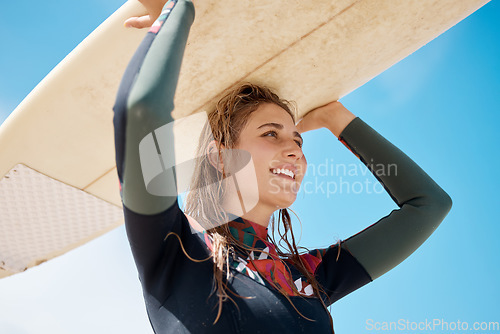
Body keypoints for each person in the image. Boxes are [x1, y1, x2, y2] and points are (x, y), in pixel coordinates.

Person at [113, 0, 453, 333]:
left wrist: (337, 118)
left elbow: (430, 205)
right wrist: (179, 11)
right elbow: (141, 111)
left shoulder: (308, 278)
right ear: (220, 156)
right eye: (271, 133)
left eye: (299, 140)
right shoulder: (177, 245)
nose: (293, 149)